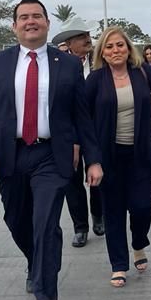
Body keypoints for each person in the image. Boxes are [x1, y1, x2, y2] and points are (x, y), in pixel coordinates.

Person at [0, 0, 102, 300]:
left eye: (37, 17)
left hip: (51, 156)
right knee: (17, 221)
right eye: (23, 17)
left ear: (47, 23)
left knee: (45, 225)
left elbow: (81, 117)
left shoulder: (68, 65)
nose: (31, 22)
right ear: (14, 26)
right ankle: (36, 261)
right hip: (10, 156)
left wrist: (94, 160)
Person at [86, 27, 151, 288]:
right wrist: (90, 157)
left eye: (120, 45)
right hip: (108, 156)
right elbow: (84, 120)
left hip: (140, 153)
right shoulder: (95, 80)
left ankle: (139, 243)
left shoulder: (142, 74)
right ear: (102, 52)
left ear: (128, 47)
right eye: (109, 47)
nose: (115, 51)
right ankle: (119, 264)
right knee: (113, 212)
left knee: (143, 206)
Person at [52, 16, 104, 247]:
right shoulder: (58, 65)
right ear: (69, 42)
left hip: (96, 130)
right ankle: (80, 226)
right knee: (71, 181)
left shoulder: (100, 62)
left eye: (87, 35)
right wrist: (72, 138)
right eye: (81, 37)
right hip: (67, 133)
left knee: (98, 177)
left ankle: (98, 216)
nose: (87, 40)